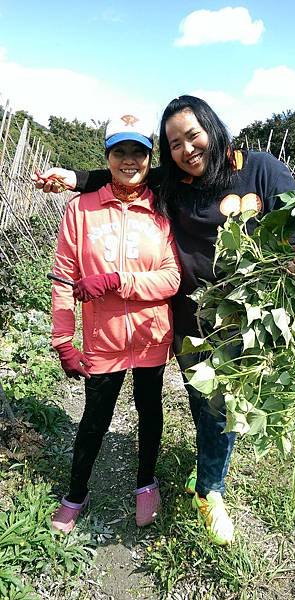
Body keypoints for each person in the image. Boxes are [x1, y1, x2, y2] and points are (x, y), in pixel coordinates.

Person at [35, 95, 295, 545]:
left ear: (213, 129)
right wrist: (74, 179)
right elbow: (124, 179)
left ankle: (194, 488)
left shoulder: (243, 175)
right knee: (158, 411)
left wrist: (293, 271)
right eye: (175, 142)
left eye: (192, 136)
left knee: (204, 411)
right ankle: (87, 491)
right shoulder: (138, 195)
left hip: (211, 326)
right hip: (161, 329)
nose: (187, 149)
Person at [48, 108, 181, 533]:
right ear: (106, 156)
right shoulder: (81, 210)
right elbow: (64, 277)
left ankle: (146, 483)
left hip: (150, 337)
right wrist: (64, 338)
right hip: (103, 340)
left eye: (138, 152)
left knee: (149, 410)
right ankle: (75, 493)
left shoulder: (162, 210)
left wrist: (117, 281)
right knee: (94, 420)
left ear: (149, 157)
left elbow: (171, 278)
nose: (129, 160)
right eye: (120, 151)